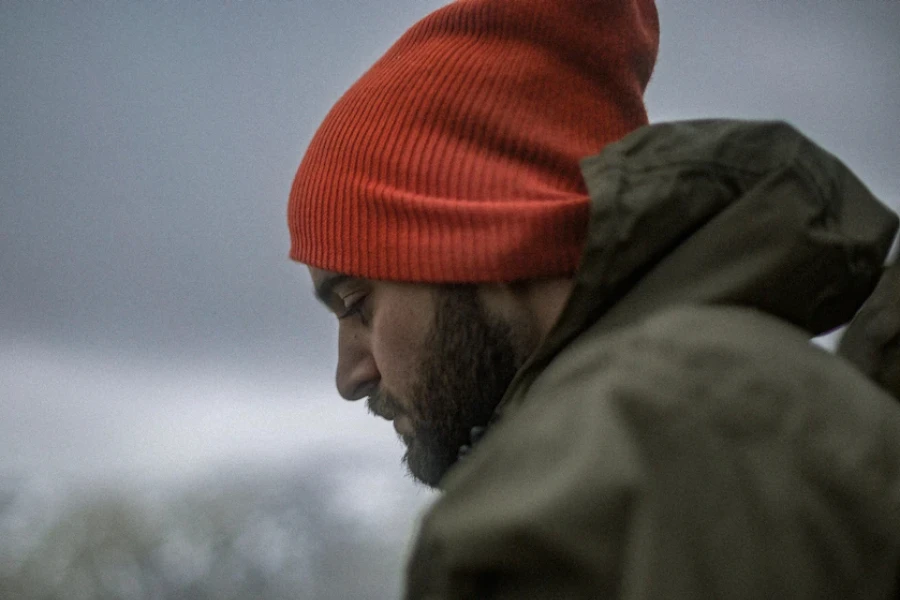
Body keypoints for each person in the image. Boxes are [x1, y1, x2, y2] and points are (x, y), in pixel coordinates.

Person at [288, 0, 900, 597]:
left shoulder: (594, 496)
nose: (350, 376)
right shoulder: (724, 406)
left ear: (483, 239)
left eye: (357, 305)